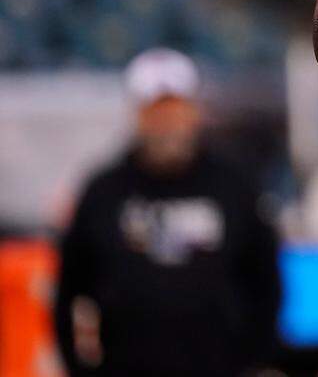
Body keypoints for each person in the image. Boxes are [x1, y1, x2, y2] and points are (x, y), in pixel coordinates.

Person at [54, 48, 281, 376]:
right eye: (156, 110)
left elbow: (266, 282)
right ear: (137, 115)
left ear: (194, 111)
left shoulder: (234, 186)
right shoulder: (103, 192)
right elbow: (69, 290)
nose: (166, 122)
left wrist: (249, 360)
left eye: (174, 108)